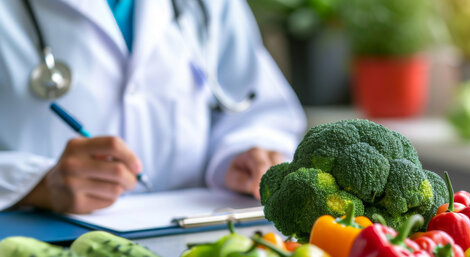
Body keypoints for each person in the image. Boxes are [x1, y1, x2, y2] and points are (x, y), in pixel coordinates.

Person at [0, 0, 306, 214]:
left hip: (198, 250)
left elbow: (257, 110)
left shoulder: (208, 5)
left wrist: (241, 157)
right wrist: (35, 182)